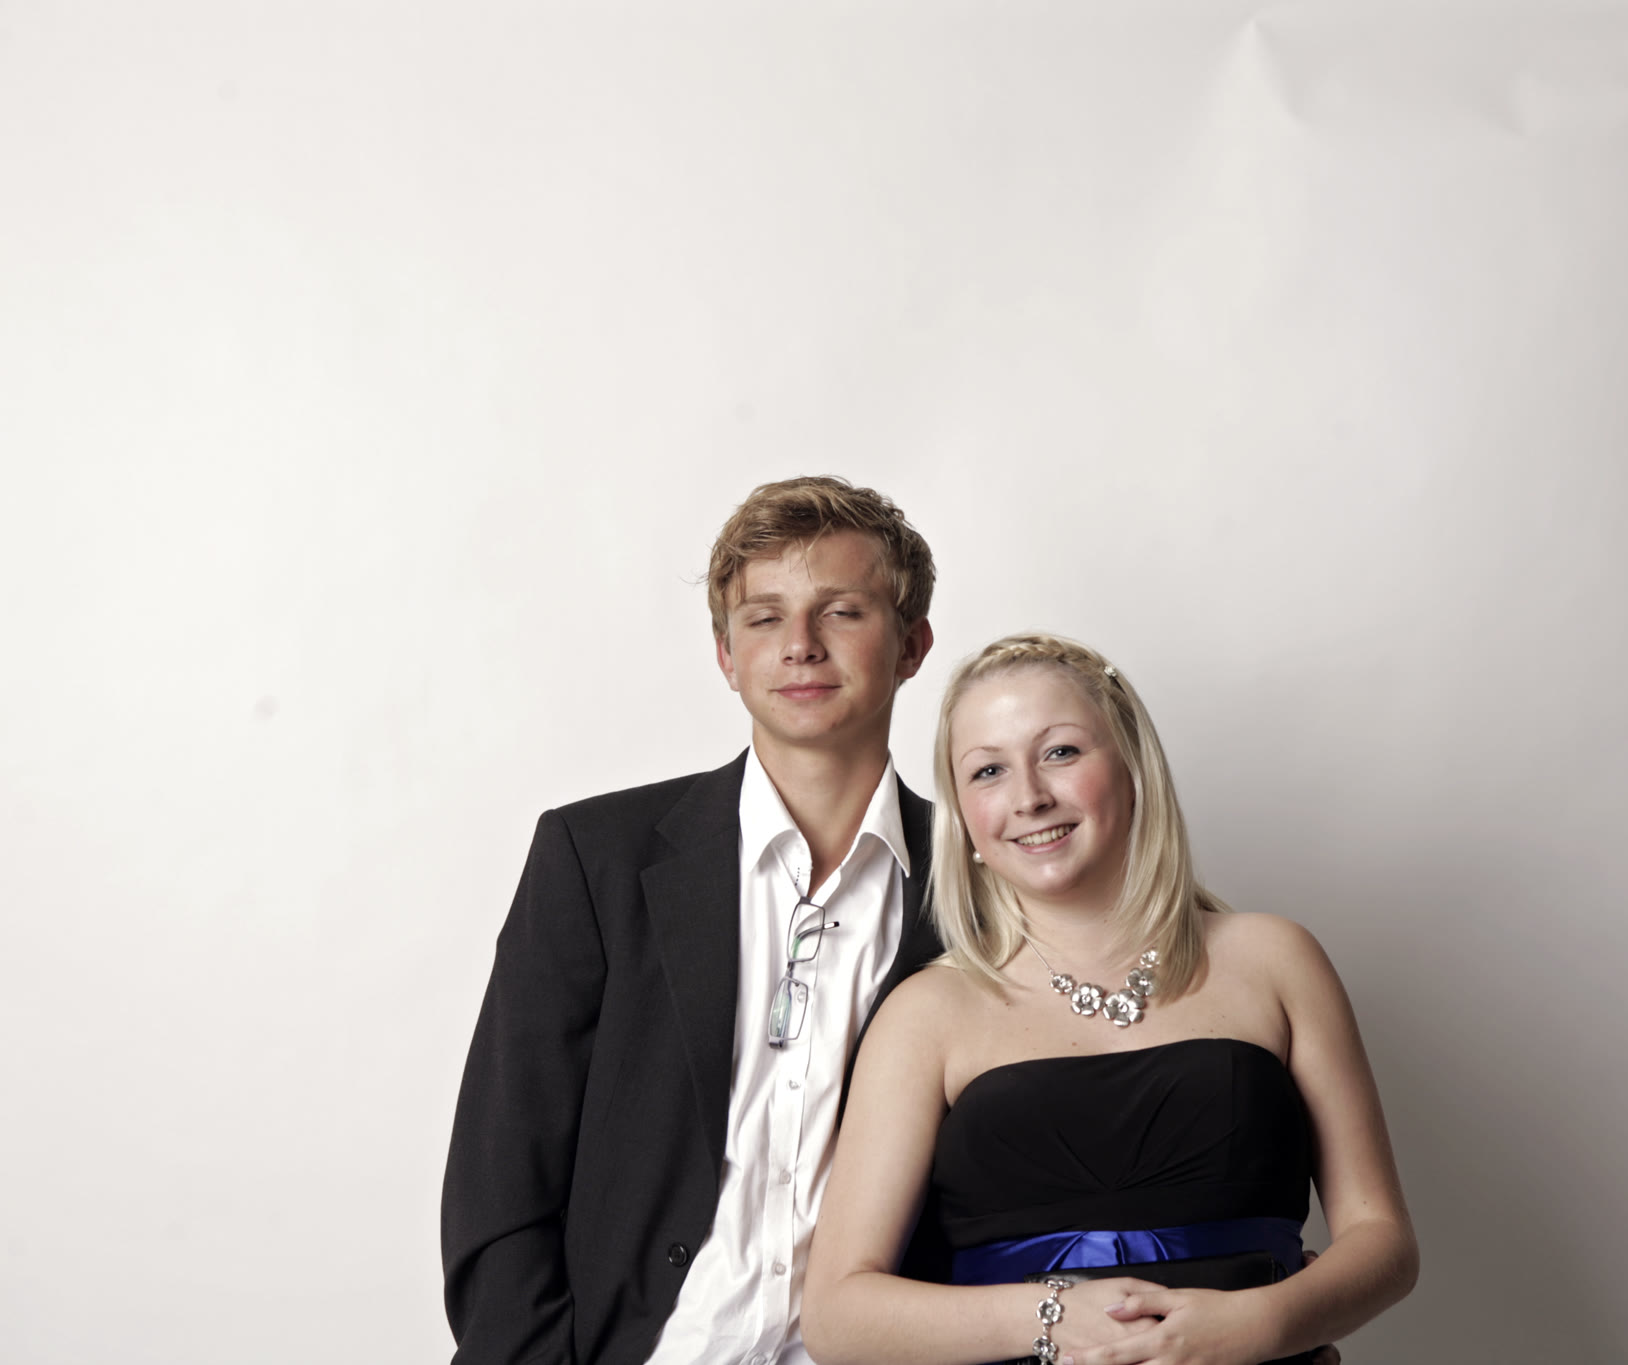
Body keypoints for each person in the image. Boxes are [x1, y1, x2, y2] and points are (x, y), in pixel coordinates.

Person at [803, 634, 1419, 1365]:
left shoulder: (1276, 960)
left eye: (1060, 752)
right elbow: (838, 1316)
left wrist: (1260, 1324)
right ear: (962, 818)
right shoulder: (926, 1013)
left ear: (1132, 767)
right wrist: (1052, 1316)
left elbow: (1383, 1241)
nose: (1029, 796)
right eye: (989, 770)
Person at [441, 475, 942, 1365]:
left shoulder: (977, 885)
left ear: (912, 644)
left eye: (841, 612)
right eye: (764, 618)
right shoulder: (596, 859)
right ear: (725, 654)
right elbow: (500, 1176)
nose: (800, 645)